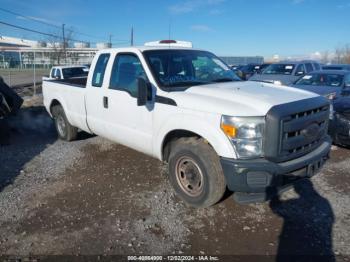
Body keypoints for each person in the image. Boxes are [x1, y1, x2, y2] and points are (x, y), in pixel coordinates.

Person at [269, 179, 335, 262]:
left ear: (298, 190)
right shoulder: (324, 203)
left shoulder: (295, 205)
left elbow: (275, 207)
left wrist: (274, 194)